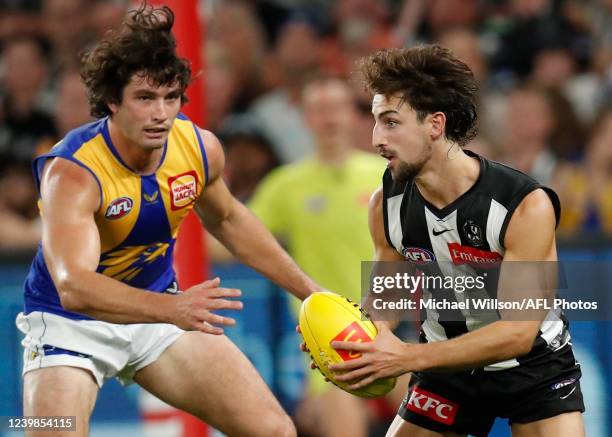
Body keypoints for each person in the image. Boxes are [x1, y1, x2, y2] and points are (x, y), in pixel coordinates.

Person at [17, 6, 322, 437]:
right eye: (145, 98)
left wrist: (311, 292)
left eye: (171, 97)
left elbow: (230, 219)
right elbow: (73, 287)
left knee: (274, 431)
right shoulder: (73, 173)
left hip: (158, 315)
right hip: (70, 327)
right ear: (112, 100)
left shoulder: (199, 148)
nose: (162, 113)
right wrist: (174, 307)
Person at [324, 46, 585, 437]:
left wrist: (408, 357)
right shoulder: (386, 204)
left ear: (435, 124)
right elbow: (388, 296)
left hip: (533, 370)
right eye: (376, 122)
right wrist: (353, 343)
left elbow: (517, 333)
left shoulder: (523, 204)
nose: (377, 138)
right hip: (446, 372)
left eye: (391, 122)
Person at [250, 76, 402, 437]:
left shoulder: (386, 174)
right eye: (318, 110)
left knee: (437, 423)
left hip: (394, 326)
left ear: (353, 116)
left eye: (336, 108)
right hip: (330, 336)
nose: (328, 118)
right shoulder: (285, 184)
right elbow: (236, 236)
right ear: (306, 118)